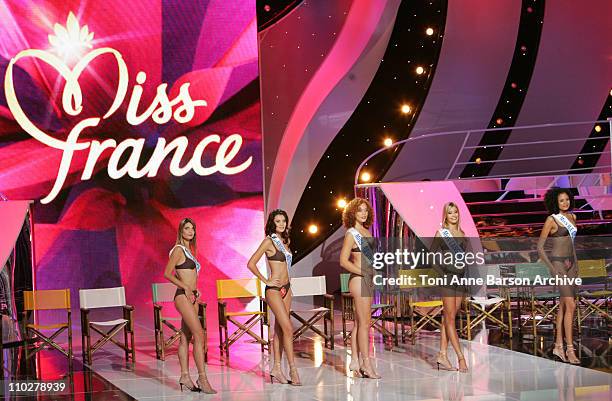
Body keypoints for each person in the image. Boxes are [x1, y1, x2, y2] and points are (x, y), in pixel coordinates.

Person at [247, 209, 301, 385]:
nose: (281, 224)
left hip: (287, 288)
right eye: (278, 221)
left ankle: (276, 368)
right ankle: (293, 370)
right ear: (272, 223)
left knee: (279, 330)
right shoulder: (269, 241)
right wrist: (266, 280)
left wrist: (288, 285)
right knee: (287, 328)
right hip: (274, 290)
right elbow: (251, 263)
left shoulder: (287, 241)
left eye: (283, 221)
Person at [163, 218, 216, 393]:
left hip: (191, 297)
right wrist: (185, 286)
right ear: (181, 231)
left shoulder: (189, 251)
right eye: (187, 228)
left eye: (193, 228)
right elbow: (167, 274)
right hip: (182, 297)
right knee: (199, 334)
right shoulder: (178, 250)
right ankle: (202, 378)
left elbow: (190, 276)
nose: (191, 231)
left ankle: (185, 376)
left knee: (185, 337)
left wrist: (195, 289)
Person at [339, 198, 380, 379]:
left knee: (359, 323)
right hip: (358, 280)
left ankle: (355, 359)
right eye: (359, 211)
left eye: (365, 210)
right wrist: (363, 272)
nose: (363, 214)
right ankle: (366, 364)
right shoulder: (351, 234)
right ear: (352, 214)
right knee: (364, 324)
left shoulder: (367, 231)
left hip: (368, 279)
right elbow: (343, 261)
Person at [537, 188, 579, 364]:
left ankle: (558, 346)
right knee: (571, 305)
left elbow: (571, 244)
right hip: (558, 264)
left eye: (567, 200)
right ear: (556, 202)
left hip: (571, 265)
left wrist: (576, 265)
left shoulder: (573, 218)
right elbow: (540, 247)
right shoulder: (551, 220)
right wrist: (552, 268)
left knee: (563, 306)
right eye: (561, 200)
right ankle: (570, 350)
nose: (565, 203)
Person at [432, 202, 469, 373]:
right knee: (451, 319)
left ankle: (442, 354)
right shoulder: (441, 233)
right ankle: (461, 357)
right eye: (450, 212)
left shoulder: (462, 234)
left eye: (455, 212)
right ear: (445, 215)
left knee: (449, 317)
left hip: (460, 279)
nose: (453, 215)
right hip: (447, 278)